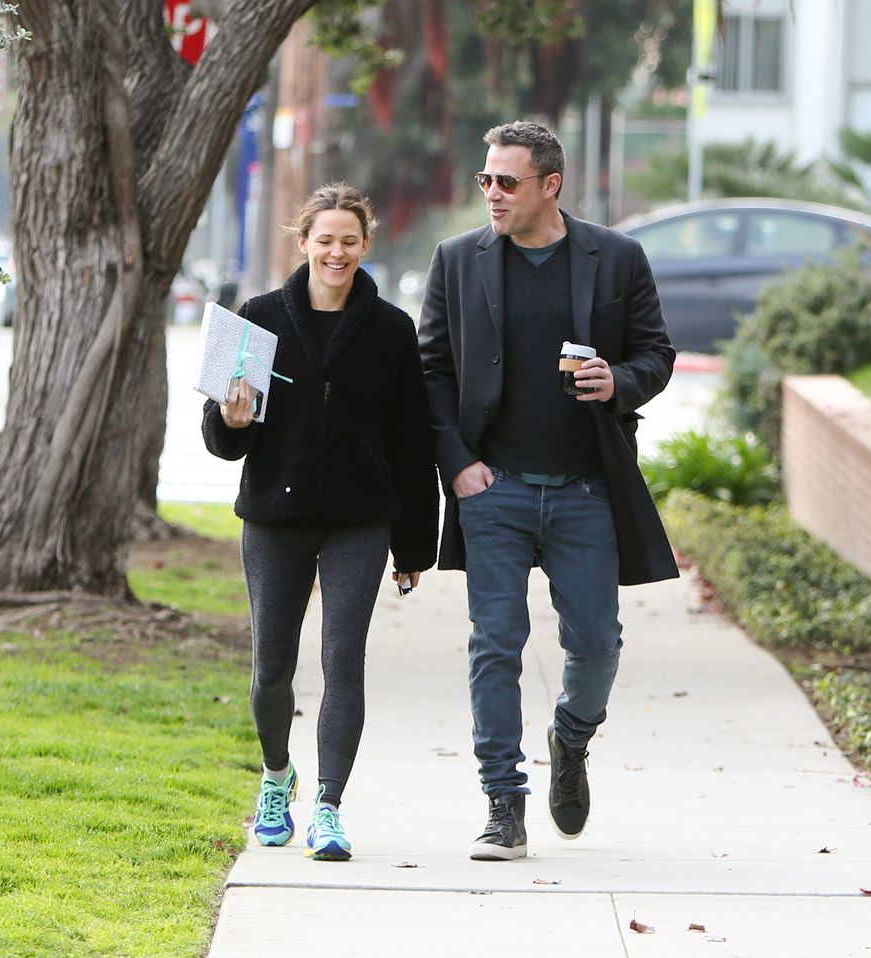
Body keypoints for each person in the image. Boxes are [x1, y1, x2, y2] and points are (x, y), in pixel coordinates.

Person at [417, 121, 678, 861]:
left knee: (596, 643)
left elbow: (655, 353)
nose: (492, 195)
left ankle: (570, 738)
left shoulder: (616, 258)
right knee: (495, 646)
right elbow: (432, 370)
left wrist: (618, 382)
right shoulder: (458, 261)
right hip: (492, 489)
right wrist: (457, 464)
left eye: (508, 182)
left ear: (550, 186)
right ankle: (504, 803)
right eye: (485, 181)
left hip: (586, 490)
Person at [202, 183, 438, 862]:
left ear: (366, 247)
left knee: (343, 662)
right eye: (325, 239)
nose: (337, 252)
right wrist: (232, 419)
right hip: (276, 517)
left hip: (359, 522)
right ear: (302, 242)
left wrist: (415, 544)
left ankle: (329, 807)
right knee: (272, 667)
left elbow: (411, 444)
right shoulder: (260, 318)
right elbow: (222, 438)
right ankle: (277, 778)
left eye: (350, 241)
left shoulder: (392, 330)